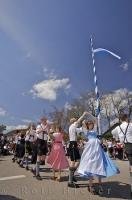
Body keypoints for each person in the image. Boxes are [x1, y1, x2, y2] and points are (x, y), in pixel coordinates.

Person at [77, 112, 119, 195]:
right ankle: (90, 186)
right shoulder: (86, 131)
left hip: (97, 148)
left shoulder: (95, 129)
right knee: (90, 165)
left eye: (92, 124)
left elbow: (95, 120)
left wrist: (89, 114)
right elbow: (80, 122)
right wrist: (83, 115)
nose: (91, 125)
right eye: (89, 124)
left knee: (99, 164)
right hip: (90, 148)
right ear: (87, 125)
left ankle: (100, 185)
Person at [112, 113, 132, 195]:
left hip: (127, 147)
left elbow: (113, 134)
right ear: (126, 118)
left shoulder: (118, 127)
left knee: (131, 165)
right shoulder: (130, 125)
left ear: (120, 120)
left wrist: (119, 138)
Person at [68, 111, 88, 188]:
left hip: (74, 144)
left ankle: (72, 176)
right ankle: (70, 181)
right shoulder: (73, 125)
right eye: (75, 120)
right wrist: (83, 115)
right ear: (73, 121)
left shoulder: (74, 128)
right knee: (74, 162)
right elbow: (79, 121)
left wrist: (84, 125)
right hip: (73, 144)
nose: (77, 121)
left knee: (78, 161)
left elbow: (81, 130)